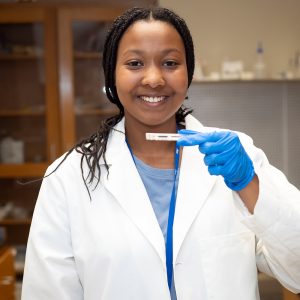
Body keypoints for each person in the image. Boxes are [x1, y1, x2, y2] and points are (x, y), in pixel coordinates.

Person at [21, 6, 300, 300]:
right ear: (112, 74)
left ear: (188, 74)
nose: (154, 79)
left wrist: (248, 184)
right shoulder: (67, 178)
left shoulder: (236, 157)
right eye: (135, 63)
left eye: (169, 63)